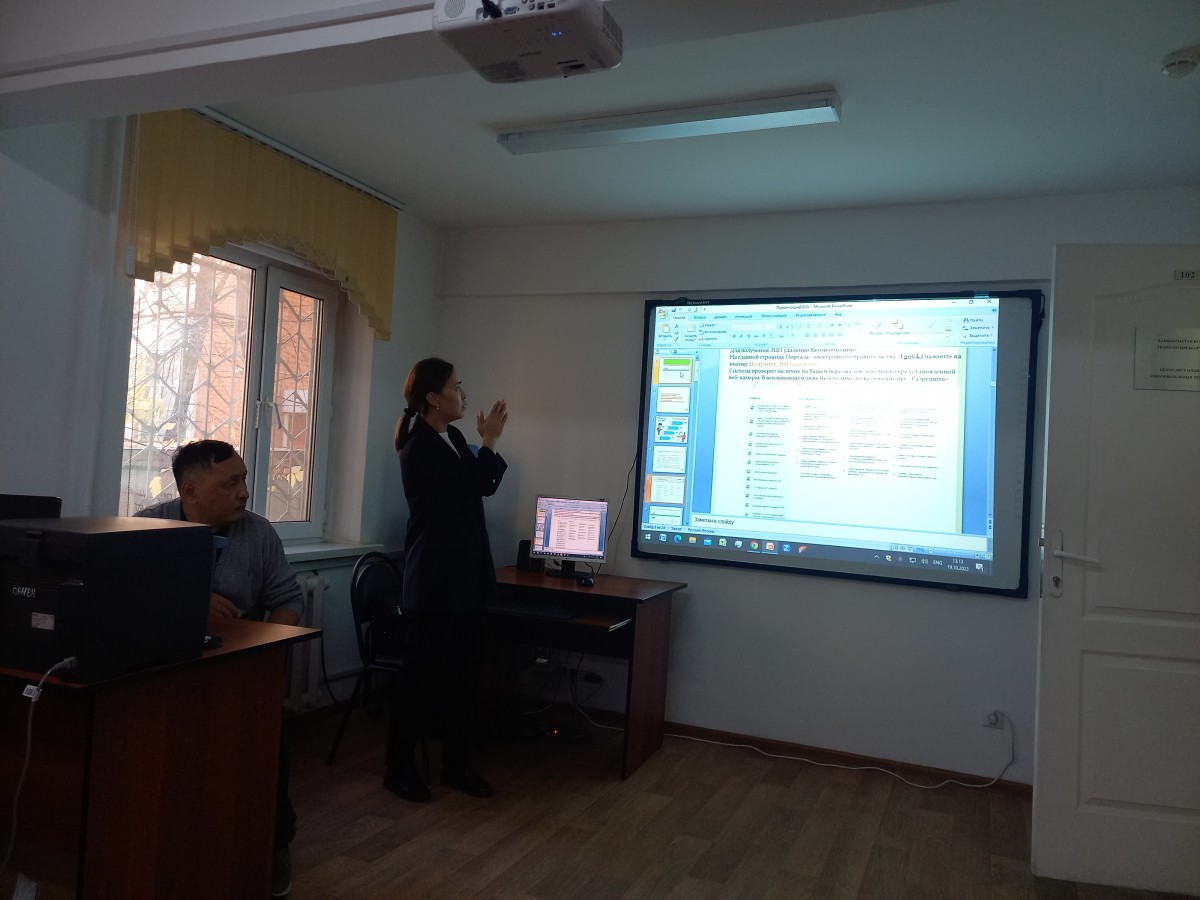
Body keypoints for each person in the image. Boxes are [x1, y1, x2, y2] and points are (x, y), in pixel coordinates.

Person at [136, 439, 304, 898]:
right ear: (190, 490)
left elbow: (288, 598)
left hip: (238, 669)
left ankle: (274, 843)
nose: (244, 492)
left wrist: (266, 650)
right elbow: (125, 599)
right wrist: (190, 597)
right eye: (231, 483)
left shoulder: (258, 533)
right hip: (167, 671)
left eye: (244, 480)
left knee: (270, 738)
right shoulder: (147, 528)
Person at [383, 358, 508, 802]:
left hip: (465, 580)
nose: (463, 394)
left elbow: (482, 484)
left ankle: (457, 766)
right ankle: (398, 769)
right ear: (434, 398)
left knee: (464, 677)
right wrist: (489, 440)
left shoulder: (451, 437)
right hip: (434, 584)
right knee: (418, 682)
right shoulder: (419, 446)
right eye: (456, 386)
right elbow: (474, 484)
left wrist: (485, 443)